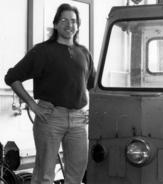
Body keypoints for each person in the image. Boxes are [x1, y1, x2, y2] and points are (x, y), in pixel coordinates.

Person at [4, 3, 95, 184]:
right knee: (44, 176)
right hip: (50, 117)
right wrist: (33, 105)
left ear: (78, 25)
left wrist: (92, 111)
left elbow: (92, 86)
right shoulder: (42, 51)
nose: (69, 25)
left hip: (78, 120)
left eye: (73, 21)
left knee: (77, 174)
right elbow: (12, 78)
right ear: (55, 24)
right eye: (64, 20)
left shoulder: (84, 53)